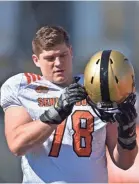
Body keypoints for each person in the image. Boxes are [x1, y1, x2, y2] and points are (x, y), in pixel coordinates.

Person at [0, 25, 138, 183]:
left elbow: (125, 163)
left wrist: (127, 135)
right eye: (50, 58)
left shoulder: (96, 88)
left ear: (71, 52)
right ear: (36, 60)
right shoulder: (25, 87)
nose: (58, 63)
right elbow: (17, 145)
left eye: (63, 55)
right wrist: (56, 113)